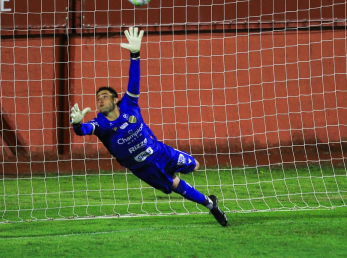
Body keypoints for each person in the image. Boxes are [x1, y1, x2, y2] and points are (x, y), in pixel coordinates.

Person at [70, 27, 228, 226]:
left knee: (195, 165)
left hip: (160, 152)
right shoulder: (100, 124)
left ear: (116, 99)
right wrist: (76, 123)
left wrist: (135, 54)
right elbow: (82, 130)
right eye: (98, 98)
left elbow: (134, 81)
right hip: (143, 168)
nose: (100, 100)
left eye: (105, 96)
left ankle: (208, 201)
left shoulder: (129, 104)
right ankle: (210, 204)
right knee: (174, 184)